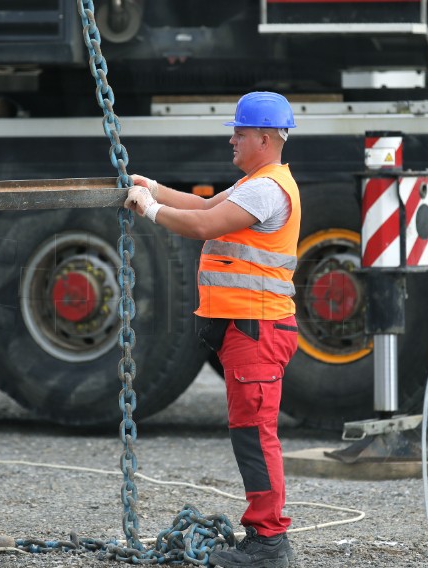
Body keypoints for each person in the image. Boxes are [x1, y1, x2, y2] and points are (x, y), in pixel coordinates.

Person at [125, 91, 300, 568]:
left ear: (264, 138)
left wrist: (149, 210)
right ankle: (264, 537)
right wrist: (154, 188)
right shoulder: (258, 182)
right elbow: (202, 207)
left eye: (239, 133)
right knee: (250, 432)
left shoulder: (266, 190)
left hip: (257, 328)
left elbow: (204, 227)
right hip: (250, 328)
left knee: (255, 435)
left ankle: (269, 543)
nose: (231, 140)